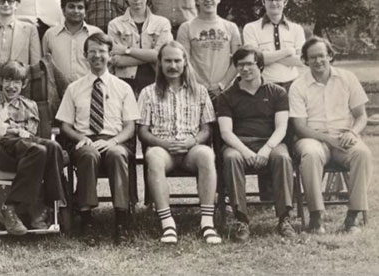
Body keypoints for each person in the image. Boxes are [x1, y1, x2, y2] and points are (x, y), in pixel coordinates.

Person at [55, 32, 139, 244]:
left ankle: (121, 220)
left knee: (118, 155)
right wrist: (80, 137)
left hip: (114, 139)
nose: (97, 56)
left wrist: (114, 141)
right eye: (92, 51)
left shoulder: (123, 88)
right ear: (85, 56)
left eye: (102, 51)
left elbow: (130, 125)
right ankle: (86, 219)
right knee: (88, 155)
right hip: (85, 139)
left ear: (110, 55)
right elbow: (64, 124)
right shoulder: (74, 88)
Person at [137, 41, 221, 244]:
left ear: (185, 62)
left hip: (191, 149)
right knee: (153, 157)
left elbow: (207, 129)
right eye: (168, 61)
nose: (172, 66)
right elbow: (142, 131)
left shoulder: (199, 91)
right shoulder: (148, 92)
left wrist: (192, 142)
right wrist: (163, 144)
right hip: (163, 149)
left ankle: (207, 223)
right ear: (160, 63)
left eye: (177, 60)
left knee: (207, 155)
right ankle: (168, 225)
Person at [290, 36, 372, 234]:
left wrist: (352, 132)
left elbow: (361, 116)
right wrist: (328, 139)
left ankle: (352, 218)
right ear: (305, 60)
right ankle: (316, 218)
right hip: (312, 137)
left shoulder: (347, 78)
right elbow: (300, 127)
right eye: (312, 58)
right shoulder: (298, 86)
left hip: (344, 136)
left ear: (330, 56)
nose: (318, 61)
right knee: (310, 154)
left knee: (362, 154)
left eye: (322, 56)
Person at [0, 61, 66, 235]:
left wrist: (8, 127)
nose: (11, 86)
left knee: (50, 147)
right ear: (1, 81)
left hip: (26, 152)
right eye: (7, 80)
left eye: (16, 82)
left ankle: (16, 207)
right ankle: (39, 210)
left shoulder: (29, 105)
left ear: (24, 84)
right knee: (38, 149)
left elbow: (29, 134)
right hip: (0, 150)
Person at [217, 46, 295, 241]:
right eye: (240, 65)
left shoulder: (277, 92)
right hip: (239, 144)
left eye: (249, 64)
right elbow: (226, 132)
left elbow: (281, 128)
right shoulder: (226, 96)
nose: (244, 69)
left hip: (270, 142)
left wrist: (266, 150)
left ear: (260, 66)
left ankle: (284, 218)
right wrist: (246, 152)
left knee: (283, 157)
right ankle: (241, 219)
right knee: (231, 158)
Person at [176, 0, 241, 99]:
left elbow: (238, 61)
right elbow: (184, 62)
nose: (208, 0)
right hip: (195, 91)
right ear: (196, 0)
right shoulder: (186, 28)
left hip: (226, 91)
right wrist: (202, 86)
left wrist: (221, 85)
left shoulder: (231, 27)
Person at [108, 0, 172, 96]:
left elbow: (162, 56)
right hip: (125, 84)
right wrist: (151, 55)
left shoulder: (162, 23)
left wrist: (126, 50)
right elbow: (116, 60)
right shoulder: (114, 25)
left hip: (156, 81)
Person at [242, 0, 305, 91]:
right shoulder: (251, 28)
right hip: (264, 86)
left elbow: (302, 60)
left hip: (292, 85)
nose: (274, 3)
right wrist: (287, 51)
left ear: (285, 2)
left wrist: (266, 57)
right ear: (263, 1)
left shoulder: (296, 29)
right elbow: (254, 60)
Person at [42, 0, 103, 83]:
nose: (76, 11)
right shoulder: (50, 35)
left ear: (85, 12)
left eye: (80, 7)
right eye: (71, 7)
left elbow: (104, 65)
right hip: (59, 92)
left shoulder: (95, 34)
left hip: (90, 89)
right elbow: (45, 66)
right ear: (63, 10)